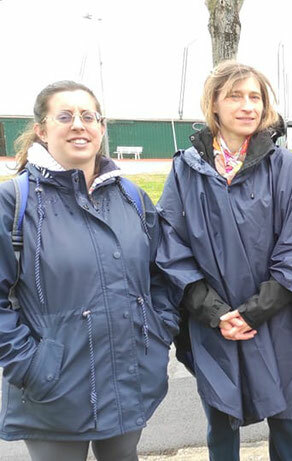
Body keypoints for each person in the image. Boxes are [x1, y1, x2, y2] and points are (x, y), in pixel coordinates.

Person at [155, 61, 292, 461]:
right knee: (221, 420)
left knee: (287, 420)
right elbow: (170, 245)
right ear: (214, 103)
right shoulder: (186, 170)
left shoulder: (285, 167)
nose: (247, 106)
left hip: (278, 319)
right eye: (235, 96)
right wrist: (214, 312)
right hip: (215, 323)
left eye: (255, 97)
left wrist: (254, 311)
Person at [0, 81, 177, 461]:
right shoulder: (13, 203)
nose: (78, 124)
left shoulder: (131, 197)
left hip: (129, 377)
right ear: (42, 130)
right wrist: (29, 365)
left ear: (101, 127)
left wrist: (159, 332)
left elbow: (160, 276)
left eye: (88, 116)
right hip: (53, 390)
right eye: (65, 116)